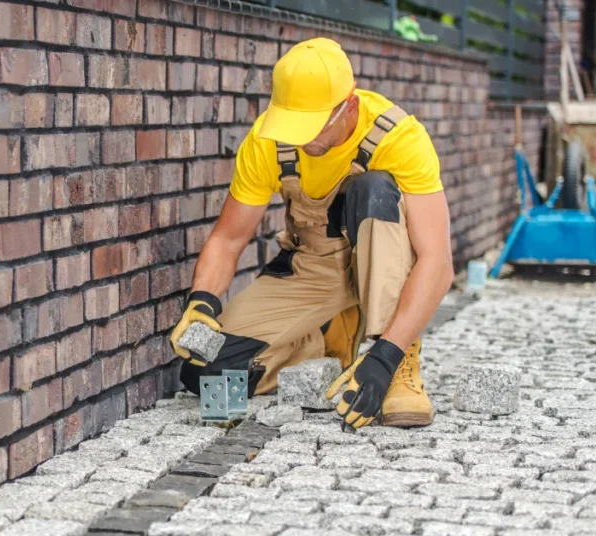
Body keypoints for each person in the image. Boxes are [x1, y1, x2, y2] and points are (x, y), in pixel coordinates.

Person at [169, 37, 454, 429]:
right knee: (205, 370)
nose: (302, 140)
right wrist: (202, 302)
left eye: (312, 126)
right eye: (293, 124)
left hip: (383, 261)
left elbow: (437, 262)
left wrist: (385, 357)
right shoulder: (265, 142)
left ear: (349, 106)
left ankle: (397, 357)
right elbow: (228, 239)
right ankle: (328, 343)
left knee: (374, 189)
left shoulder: (398, 136)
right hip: (313, 269)